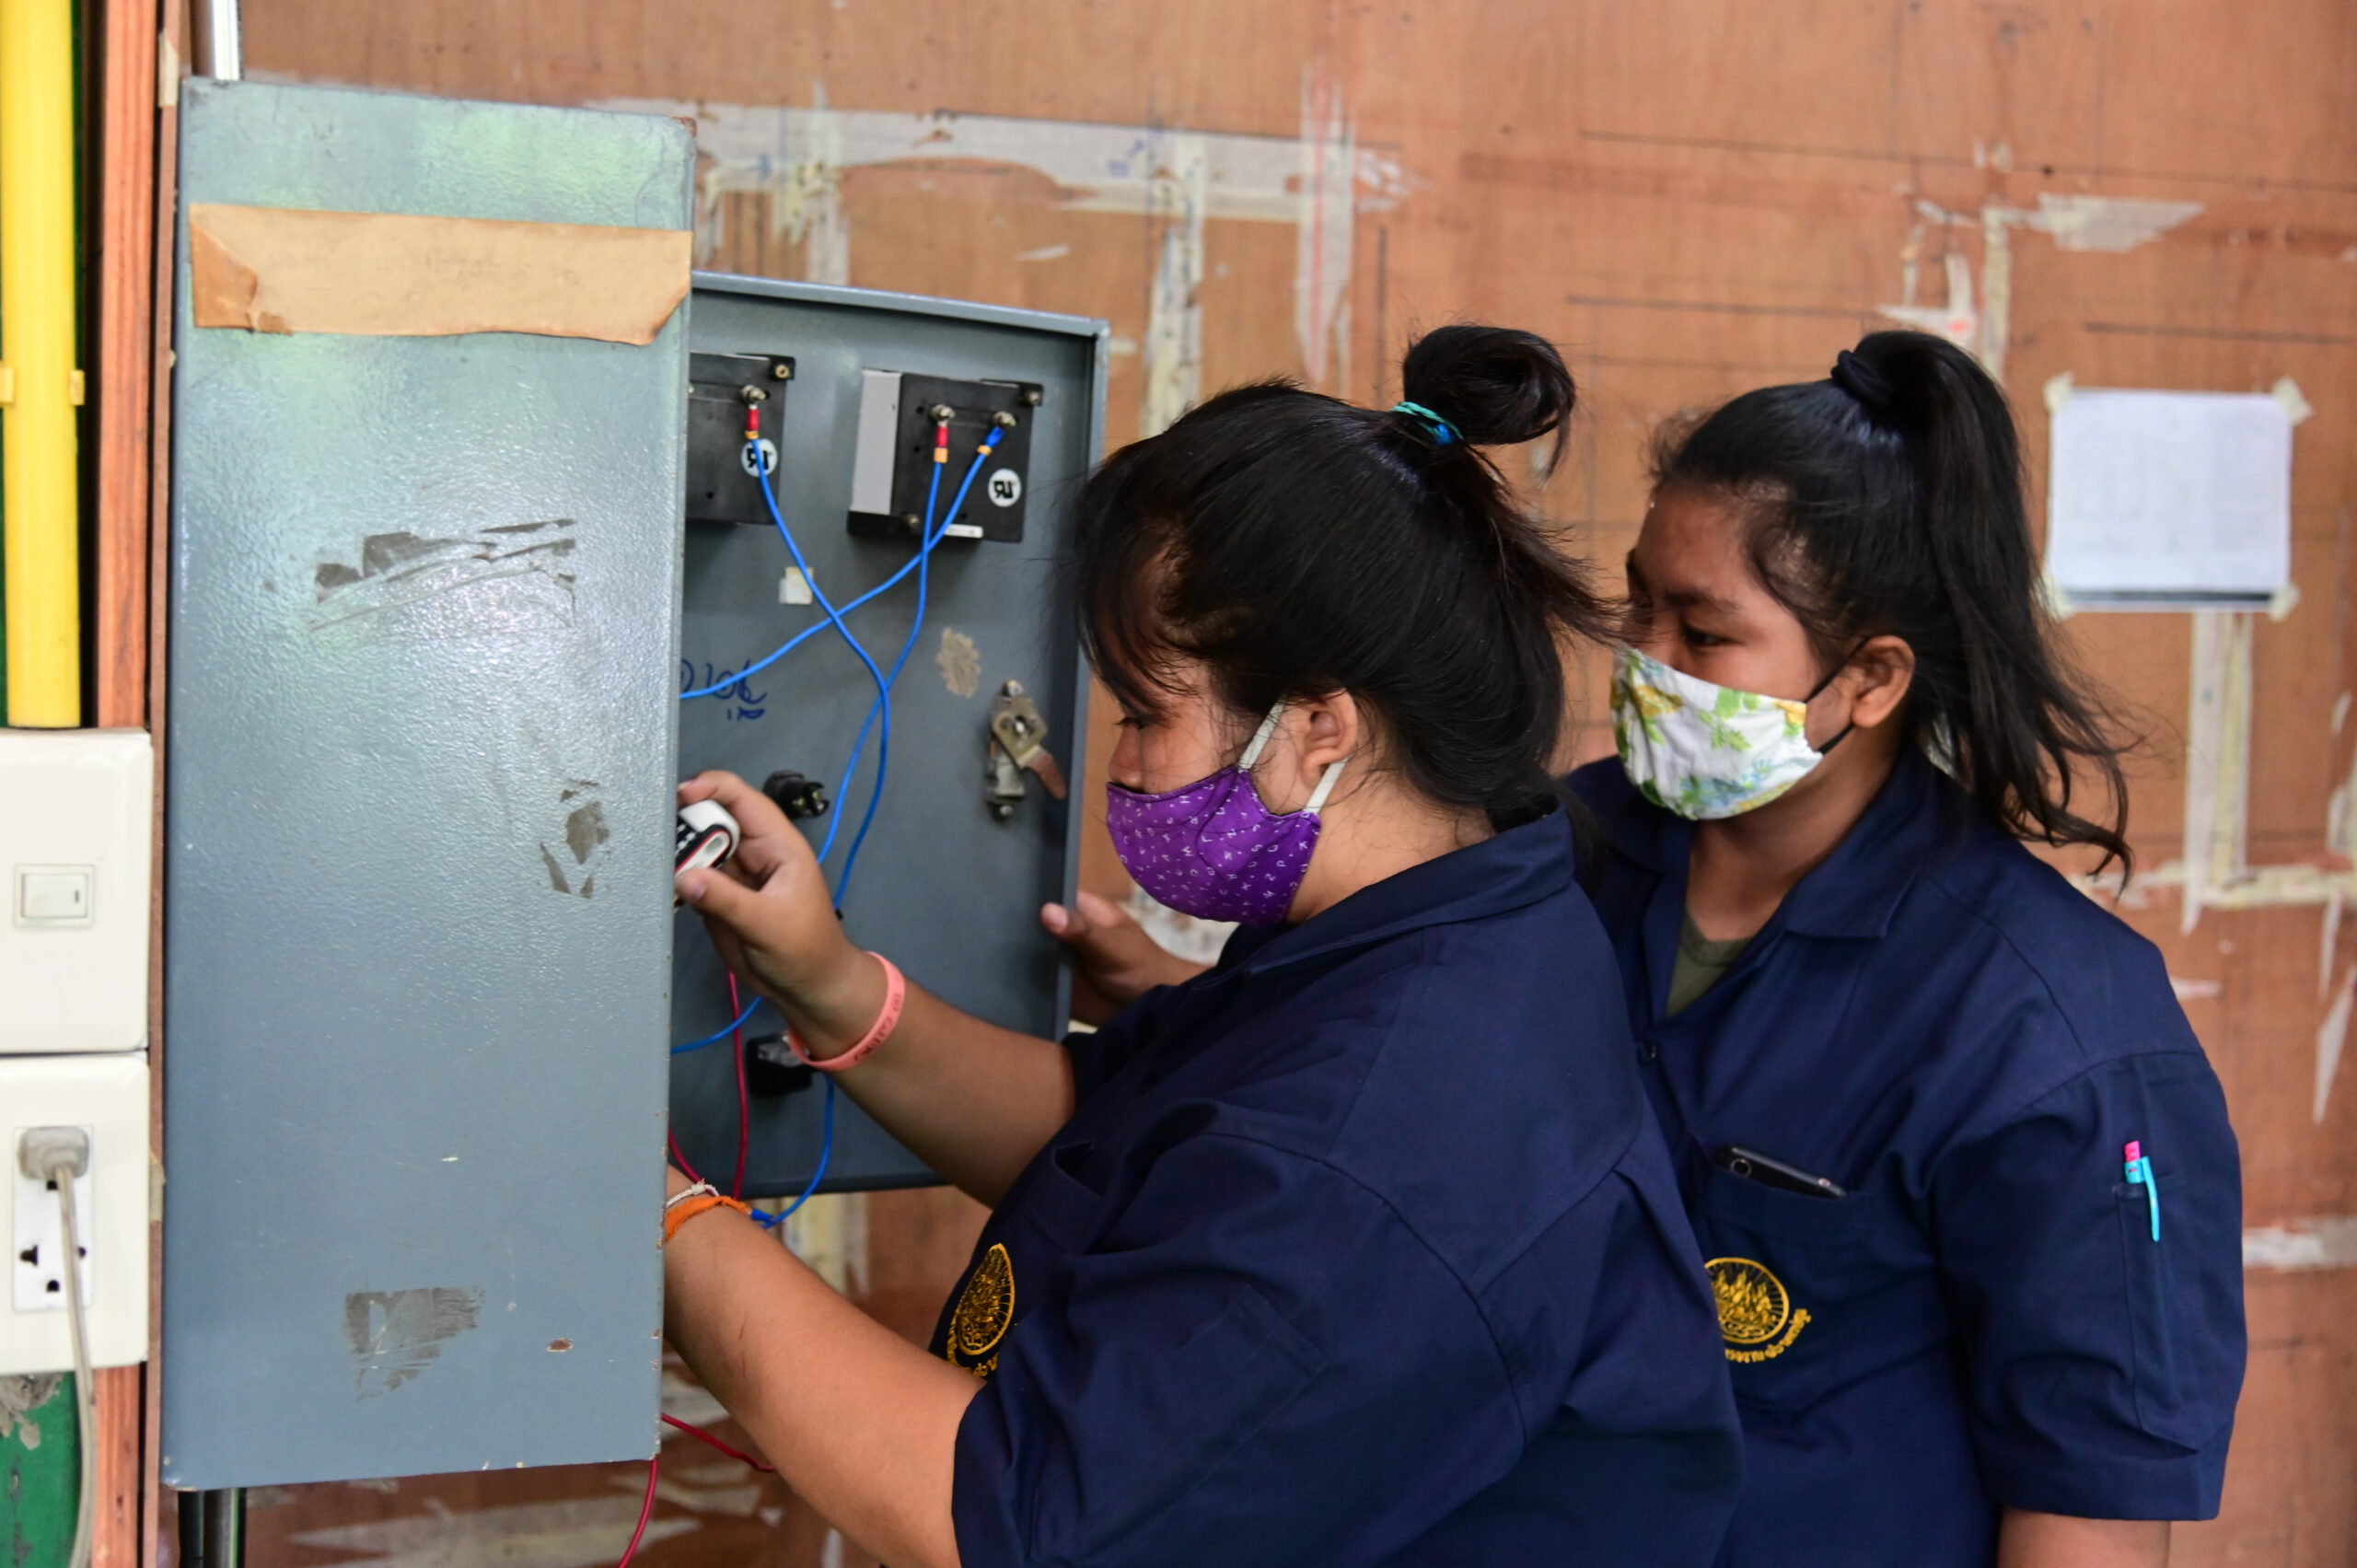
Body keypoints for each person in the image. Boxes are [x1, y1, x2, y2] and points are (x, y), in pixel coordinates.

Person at [1054, 331, 2248, 1568]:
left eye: (1705, 633)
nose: (1647, 659)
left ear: (1872, 679)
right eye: (1640, 602)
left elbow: (2090, 1510)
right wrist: (1191, 1011)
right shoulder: (1558, 852)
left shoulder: (2051, 1034)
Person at [660, 326, 1746, 1568]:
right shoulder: (1428, 923)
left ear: (1318, 727)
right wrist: (827, 983)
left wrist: (651, 1214)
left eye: (1146, 715)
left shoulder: (1383, 1139)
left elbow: (1007, 1519)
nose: (1120, 769)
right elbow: (1099, 1132)